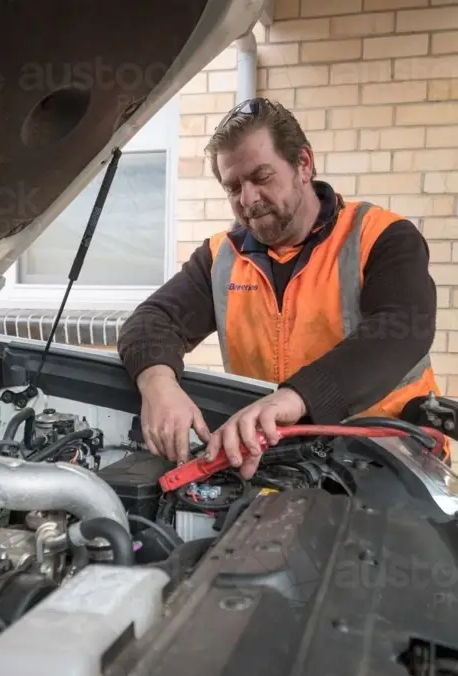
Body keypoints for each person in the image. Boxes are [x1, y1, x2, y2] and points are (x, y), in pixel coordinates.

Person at [117, 97, 442, 479]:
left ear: (303, 164)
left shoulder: (381, 236)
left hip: (392, 467)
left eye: (261, 177)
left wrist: (295, 397)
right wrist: (158, 383)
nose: (248, 199)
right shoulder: (221, 257)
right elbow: (151, 321)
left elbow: (402, 330)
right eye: (233, 186)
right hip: (281, 467)